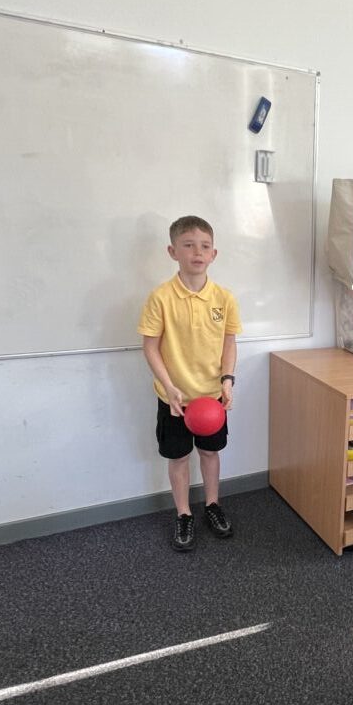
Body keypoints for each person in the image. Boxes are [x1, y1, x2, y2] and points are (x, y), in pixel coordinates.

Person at [138, 215, 242, 552]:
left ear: (214, 254)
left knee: (210, 452)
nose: (197, 252)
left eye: (205, 246)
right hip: (175, 399)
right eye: (188, 245)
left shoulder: (224, 298)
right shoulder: (160, 298)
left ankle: (212, 505)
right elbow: (150, 347)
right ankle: (183, 513)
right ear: (173, 252)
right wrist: (169, 387)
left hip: (212, 398)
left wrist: (227, 380)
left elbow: (229, 342)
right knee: (179, 457)